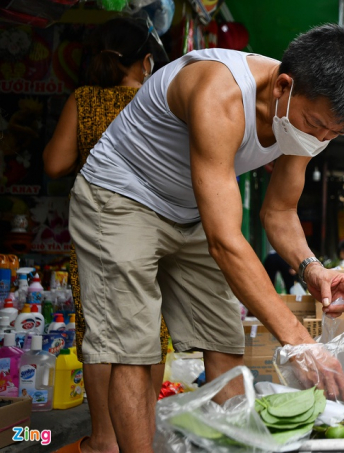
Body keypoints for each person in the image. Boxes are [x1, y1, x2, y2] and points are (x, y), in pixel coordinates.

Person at [68, 24, 344, 452]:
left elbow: (280, 212)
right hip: (121, 196)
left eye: (332, 134)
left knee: (224, 343)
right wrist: (299, 341)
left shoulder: (306, 122)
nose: (319, 140)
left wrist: (313, 269)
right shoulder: (220, 92)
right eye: (316, 125)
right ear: (283, 86)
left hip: (190, 209)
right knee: (135, 352)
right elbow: (225, 241)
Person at [43, 17, 169, 453]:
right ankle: (141, 438)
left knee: (100, 336)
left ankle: (104, 441)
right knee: (150, 333)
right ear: (146, 62)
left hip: (98, 230)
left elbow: (56, 164)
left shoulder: (85, 100)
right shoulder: (160, 101)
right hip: (157, 233)